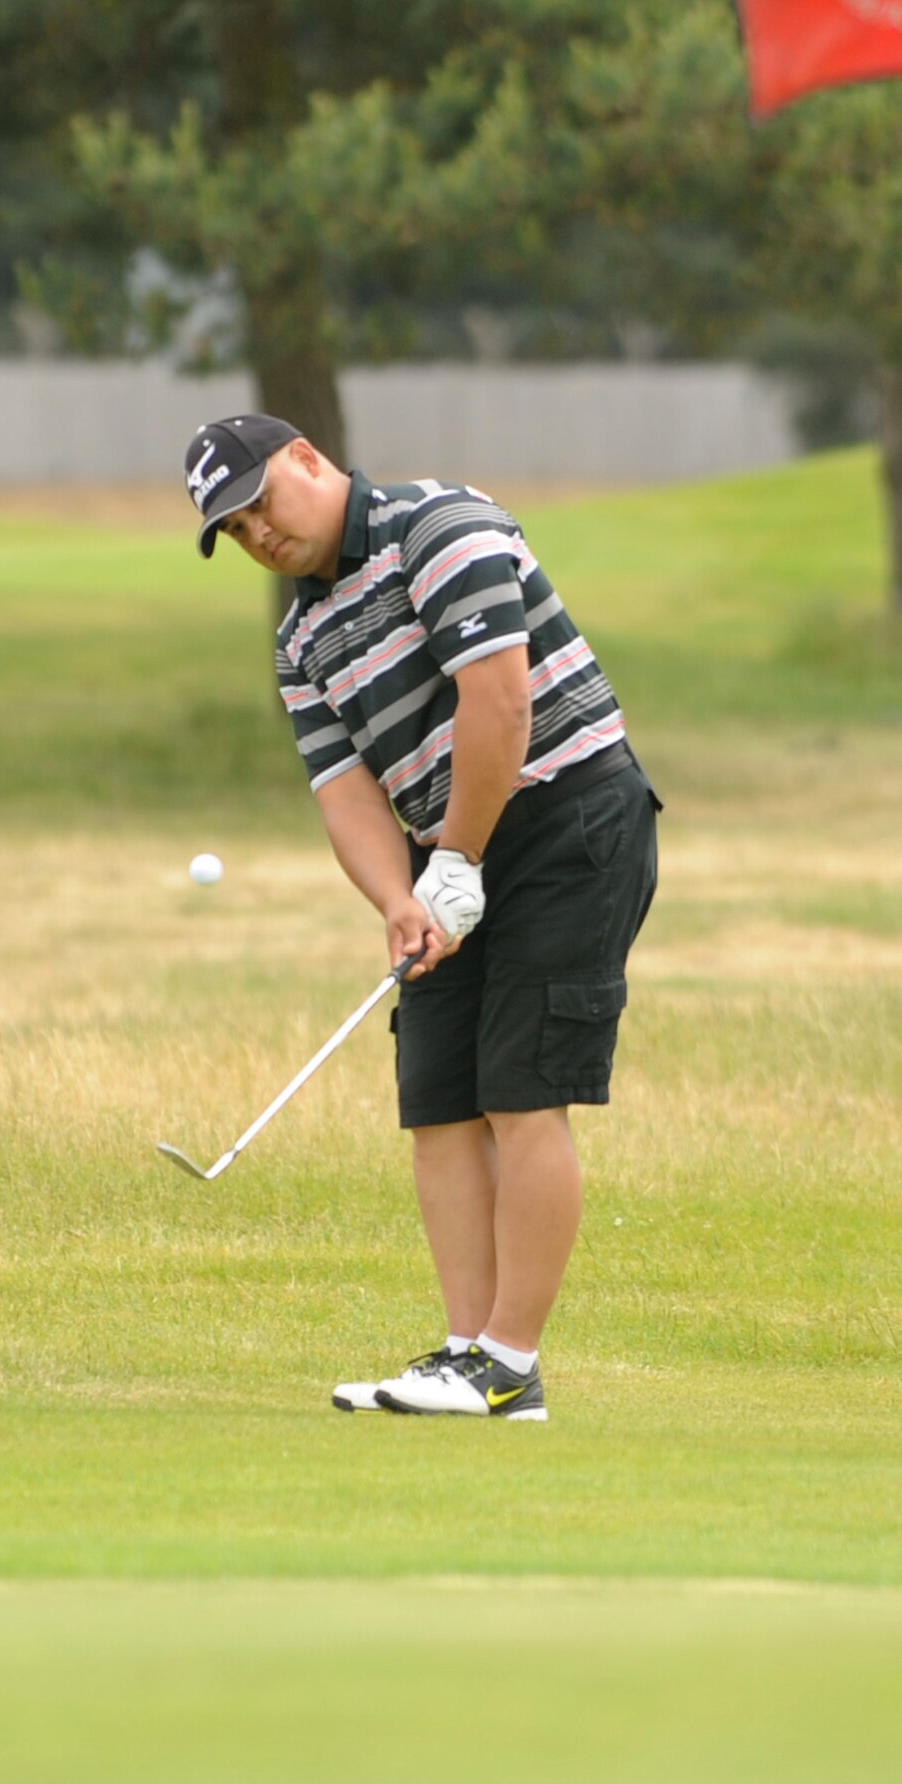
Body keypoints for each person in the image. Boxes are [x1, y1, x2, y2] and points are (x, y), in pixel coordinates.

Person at [183, 413, 659, 1423]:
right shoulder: (300, 638)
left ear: (307, 457)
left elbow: (500, 702)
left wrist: (456, 860)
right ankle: (464, 1354)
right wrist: (399, 899)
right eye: (234, 528)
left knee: (522, 1088)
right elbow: (345, 788)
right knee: (439, 1096)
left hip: (569, 817)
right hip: (449, 854)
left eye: (260, 502)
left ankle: (510, 1362)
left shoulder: (440, 526)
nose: (258, 532)